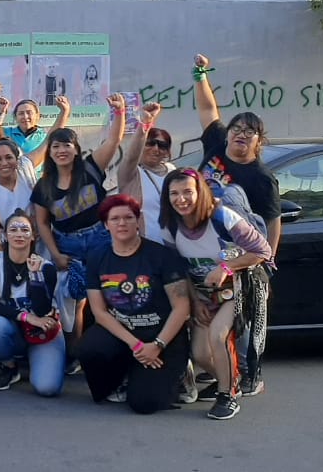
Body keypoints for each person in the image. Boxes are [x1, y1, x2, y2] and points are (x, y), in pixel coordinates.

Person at [192, 53, 280, 397]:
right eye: (237, 128)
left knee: (241, 324)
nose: (241, 134)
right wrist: (201, 74)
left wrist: (267, 264)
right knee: (206, 320)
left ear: (259, 142)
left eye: (251, 132)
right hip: (202, 248)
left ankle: (248, 377)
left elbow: (272, 224)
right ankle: (222, 372)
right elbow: (207, 110)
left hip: (239, 255)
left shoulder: (261, 178)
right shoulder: (215, 146)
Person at [158, 170, 272, 420]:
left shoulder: (221, 216)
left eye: (188, 191)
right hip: (203, 293)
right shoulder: (169, 225)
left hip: (239, 286)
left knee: (217, 335)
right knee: (199, 352)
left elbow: (263, 250)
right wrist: (194, 301)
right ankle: (231, 379)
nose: (181, 199)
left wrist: (225, 267)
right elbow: (179, 269)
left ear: (200, 192)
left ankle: (227, 395)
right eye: (174, 193)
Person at [80, 195, 191, 414]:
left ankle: (181, 375)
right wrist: (136, 345)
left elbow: (182, 308)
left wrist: (157, 345)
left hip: (162, 336)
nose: (122, 223)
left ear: (138, 220)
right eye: (115, 219)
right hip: (126, 335)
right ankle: (124, 375)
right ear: (106, 224)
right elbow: (99, 312)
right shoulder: (96, 257)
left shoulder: (161, 256)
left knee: (145, 404)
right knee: (88, 349)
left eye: (128, 217)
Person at [31, 94, 126, 343]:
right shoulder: (44, 186)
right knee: (75, 300)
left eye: (67, 145)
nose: (62, 150)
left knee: (111, 292)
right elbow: (42, 223)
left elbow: (114, 140)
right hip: (68, 244)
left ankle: (114, 343)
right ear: (49, 152)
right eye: (56, 146)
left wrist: (119, 112)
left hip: (100, 238)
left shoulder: (91, 168)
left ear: (76, 149)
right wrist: (55, 253)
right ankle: (77, 351)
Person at [0, 210, 64, 396]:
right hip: (12, 327)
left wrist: (35, 276)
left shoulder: (46, 267)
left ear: (33, 236)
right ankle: (10, 366)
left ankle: (39, 361)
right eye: (13, 229)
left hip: (42, 331)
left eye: (25, 230)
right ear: (4, 235)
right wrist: (26, 317)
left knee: (47, 388)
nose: (19, 234)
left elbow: (42, 310)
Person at [116, 103, 175, 244]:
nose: (156, 149)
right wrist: (145, 124)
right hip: (144, 246)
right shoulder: (131, 173)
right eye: (151, 143)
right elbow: (131, 157)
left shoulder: (172, 170)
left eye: (162, 145)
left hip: (175, 245)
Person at [0, 139, 38, 250]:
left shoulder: (27, 178)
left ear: (17, 159)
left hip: (39, 244)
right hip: (11, 249)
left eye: (9, 157)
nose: (4, 163)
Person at [4, 97, 71, 156]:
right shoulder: (6, 133)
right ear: (15, 117)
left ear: (37, 116)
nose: (25, 116)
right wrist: (0, 111)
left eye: (29, 113)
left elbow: (56, 132)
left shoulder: (43, 136)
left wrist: (64, 111)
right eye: (21, 113)